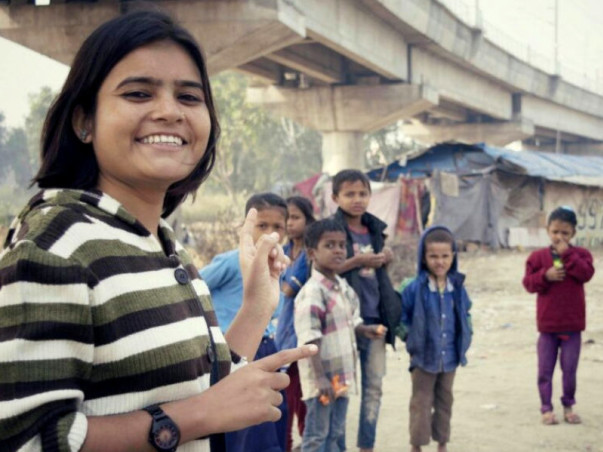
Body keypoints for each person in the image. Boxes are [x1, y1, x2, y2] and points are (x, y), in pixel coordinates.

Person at [0, 11, 316, 452]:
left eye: (189, 97)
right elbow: (26, 438)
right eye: (138, 93)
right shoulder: (57, 245)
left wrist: (257, 304)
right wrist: (198, 416)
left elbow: (202, 391)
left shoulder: (163, 244)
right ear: (83, 121)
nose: (169, 111)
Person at [199, 192, 289, 452]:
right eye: (263, 226)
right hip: (235, 351)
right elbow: (197, 287)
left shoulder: (276, 266)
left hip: (265, 348)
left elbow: (274, 310)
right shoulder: (229, 262)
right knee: (239, 428)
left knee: (266, 423)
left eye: (277, 227)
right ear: (247, 227)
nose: (270, 234)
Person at [294, 219, 385, 452]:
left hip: (342, 377)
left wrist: (365, 329)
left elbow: (351, 319)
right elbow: (309, 337)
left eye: (342, 245)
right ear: (312, 252)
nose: (338, 251)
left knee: (335, 434)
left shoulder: (342, 286)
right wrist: (320, 378)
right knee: (317, 436)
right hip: (323, 380)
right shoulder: (312, 292)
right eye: (330, 245)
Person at [331, 169, 401, 452]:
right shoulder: (331, 230)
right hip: (341, 322)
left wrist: (386, 260)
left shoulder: (375, 229)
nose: (357, 199)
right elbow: (325, 269)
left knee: (373, 389)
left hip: (375, 318)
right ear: (336, 197)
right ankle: (337, 446)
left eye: (362, 193)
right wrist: (357, 260)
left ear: (370, 196)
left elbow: (378, 278)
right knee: (340, 390)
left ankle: (366, 446)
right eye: (349, 194)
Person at [400, 226, 472, 452]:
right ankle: (417, 445)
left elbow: (465, 314)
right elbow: (401, 318)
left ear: (453, 257)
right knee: (421, 403)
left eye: (445, 256)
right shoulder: (414, 288)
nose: (439, 262)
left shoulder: (457, 287)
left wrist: (467, 338)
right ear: (424, 257)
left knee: (445, 401)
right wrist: (410, 338)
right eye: (433, 256)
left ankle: (442, 443)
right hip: (423, 357)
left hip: (450, 357)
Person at [522, 206, 594, 426]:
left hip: (572, 326)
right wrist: (546, 275)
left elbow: (586, 274)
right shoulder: (537, 257)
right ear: (548, 230)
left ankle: (568, 406)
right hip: (547, 326)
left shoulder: (581, 255)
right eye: (555, 232)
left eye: (565, 233)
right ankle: (546, 408)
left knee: (569, 370)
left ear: (573, 233)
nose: (559, 237)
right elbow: (528, 283)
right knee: (545, 370)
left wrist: (567, 255)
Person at [275, 196, 316, 451]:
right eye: (286, 219)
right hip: (282, 332)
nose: (290, 224)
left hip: (302, 333)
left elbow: (288, 290)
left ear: (308, 220)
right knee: (285, 401)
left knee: (301, 400)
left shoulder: (307, 256)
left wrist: (274, 281)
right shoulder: (286, 252)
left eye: (296, 217)